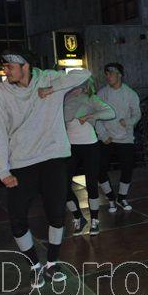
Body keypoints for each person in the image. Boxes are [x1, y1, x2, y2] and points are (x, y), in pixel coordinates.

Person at [0, 47, 90, 287]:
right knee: (17, 220)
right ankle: (35, 265)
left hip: (53, 157)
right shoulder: (0, 93)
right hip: (21, 162)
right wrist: (3, 170)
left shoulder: (48, 79)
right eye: (5, 67)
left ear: (25, 66)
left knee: (56, 215)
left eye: (10, 67)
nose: (5, 71)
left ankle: (52, 263)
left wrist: (52, 88)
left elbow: (85, 74)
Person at [64, 78, 115, 236]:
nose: (75, 89)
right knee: (63, 185)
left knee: (91, 182)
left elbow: (110, 112)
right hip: (70, 146)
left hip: (89, 145)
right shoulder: (65, 99)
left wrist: (90, 116)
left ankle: (94, 220)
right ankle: (78, 217)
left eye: (78, 86)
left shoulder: (91, 98)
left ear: (84, 87)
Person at [96, 63, 141, 213]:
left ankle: (122, 197)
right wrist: (103, 135)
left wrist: (128, 122)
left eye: (111, 73)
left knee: (127, 168)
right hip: (107, 138)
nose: (108, 76)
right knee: (100, 169)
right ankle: (110, 198)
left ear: (119, 74)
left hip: (125, 138)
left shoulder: (130, 93)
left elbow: (137, 114)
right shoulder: (102, 94)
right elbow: (96, 116)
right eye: (106, 74)